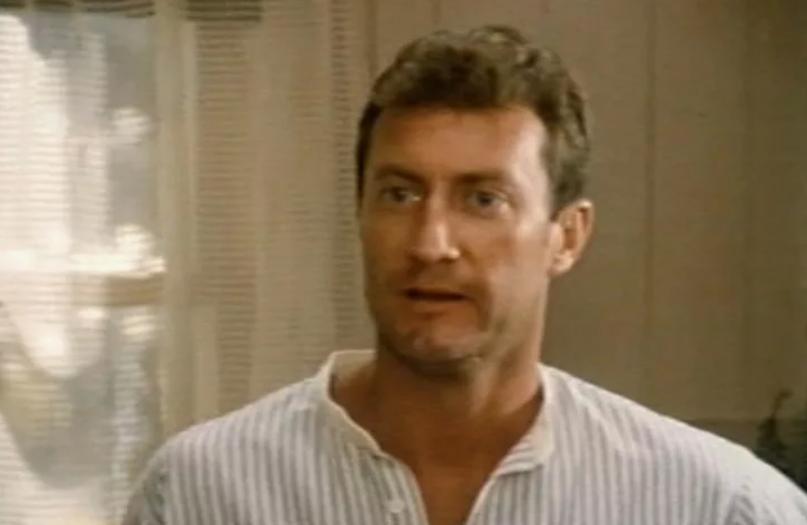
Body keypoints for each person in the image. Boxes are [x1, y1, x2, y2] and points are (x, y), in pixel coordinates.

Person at [124, 25, 807, 525]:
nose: (431, 243)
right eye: (399, 194)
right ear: (359, 214)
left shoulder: (717, 504)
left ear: (566, 237)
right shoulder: (201, 490)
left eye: (483, 199)